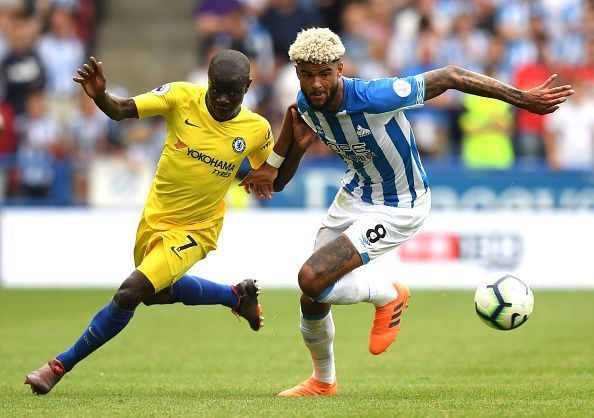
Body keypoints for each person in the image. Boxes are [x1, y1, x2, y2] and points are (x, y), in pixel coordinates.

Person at [240, 27, 574, 396]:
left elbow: (449, 76)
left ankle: (389, 294)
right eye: (306, 74)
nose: (315, 84)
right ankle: (323, 381)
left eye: (324, 73)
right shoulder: (304, 105)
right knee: (314, 293)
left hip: (400, 204)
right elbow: (282, 173)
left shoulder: (373, 95)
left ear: (340, 68)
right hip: (355, 195)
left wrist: (521, 98)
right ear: (297, 73)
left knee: (311, 278)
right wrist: (278, 161)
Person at [25, 50, 272, 395]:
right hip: (155, 218)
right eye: (217, 90)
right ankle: (234, 297)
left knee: (130, 291)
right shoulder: (181, 97)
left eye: (233, 92)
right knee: (156, 295)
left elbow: (273, 173)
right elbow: (122, 110)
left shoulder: (256, 129)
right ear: (208, 81)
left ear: (248, 86)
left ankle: (58, 366)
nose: (223, 99)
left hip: (196, 230)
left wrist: (294, 150)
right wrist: (99, 96)